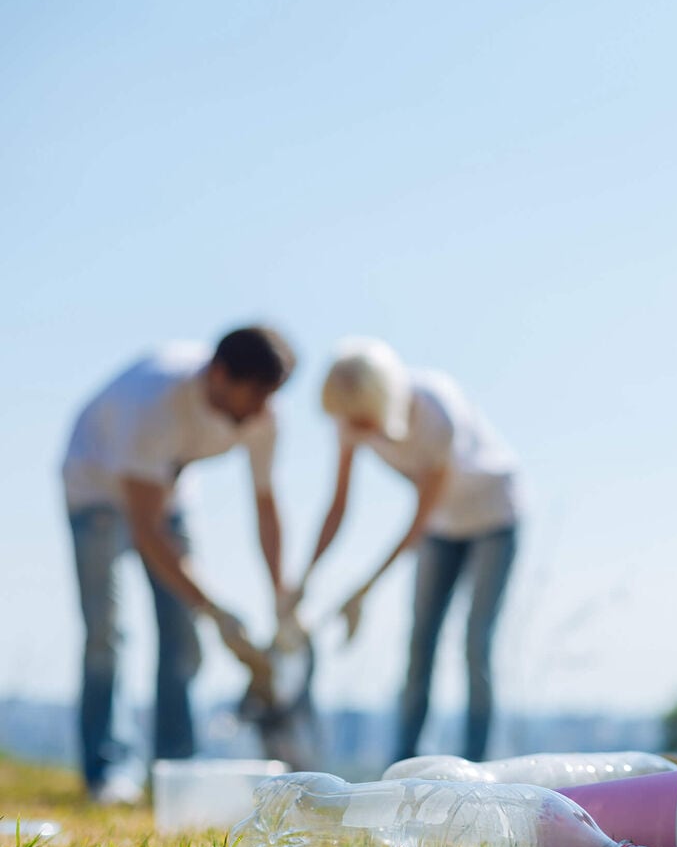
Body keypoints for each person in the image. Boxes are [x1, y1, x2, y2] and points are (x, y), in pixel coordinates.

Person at [62, 326, 296, 803]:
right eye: (252, 396)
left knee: (183, 635)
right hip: (95, 488)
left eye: (267, 399)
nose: (258, 412)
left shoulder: (261, 414)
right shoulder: (152, 402)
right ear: (219, 374)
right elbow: (147, 531)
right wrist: (219, 611)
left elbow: (266, 506)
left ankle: (177, 768)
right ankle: (107, 773)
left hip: (166, 494)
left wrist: (281, 599)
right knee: (107, 633)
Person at [292, 338, 521, 763]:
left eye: (362, 422)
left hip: (493, 517)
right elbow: (338, 506)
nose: (354, 433)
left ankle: (481, 767)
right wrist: (303, 580)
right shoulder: (350, 418)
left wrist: (363, 591)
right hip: (442, 525)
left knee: (475, 642)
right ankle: (407, 763)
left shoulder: (437, 412)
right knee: (420, 642)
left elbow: (417, 521)